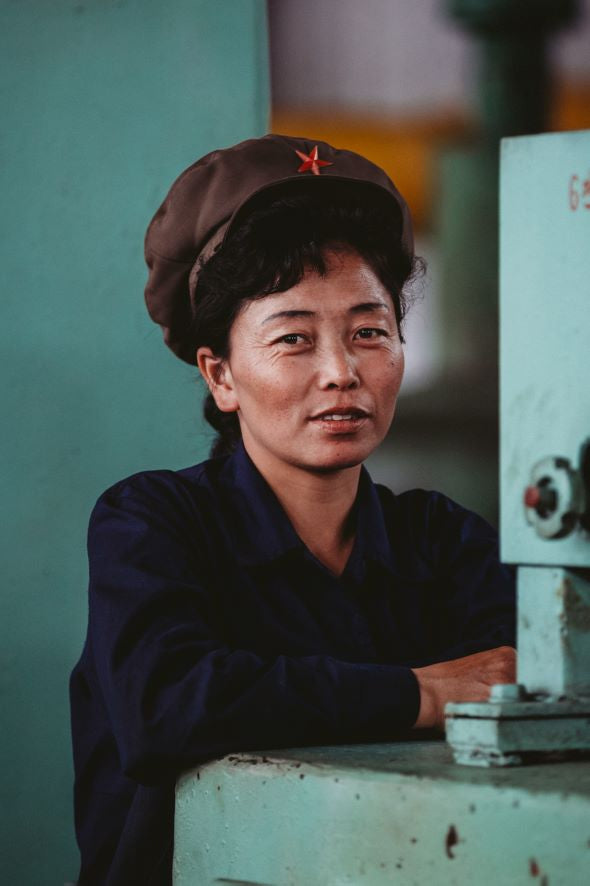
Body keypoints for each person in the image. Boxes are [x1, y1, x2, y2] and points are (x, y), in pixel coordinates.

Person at [70, 134, 516, 885]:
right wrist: (421, 691)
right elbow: (168, 704)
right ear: (222, 376)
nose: (342, 372)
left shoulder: (442, 542)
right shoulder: (152, 524)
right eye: (294, 339)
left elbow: (529, 690)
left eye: (370, 332)